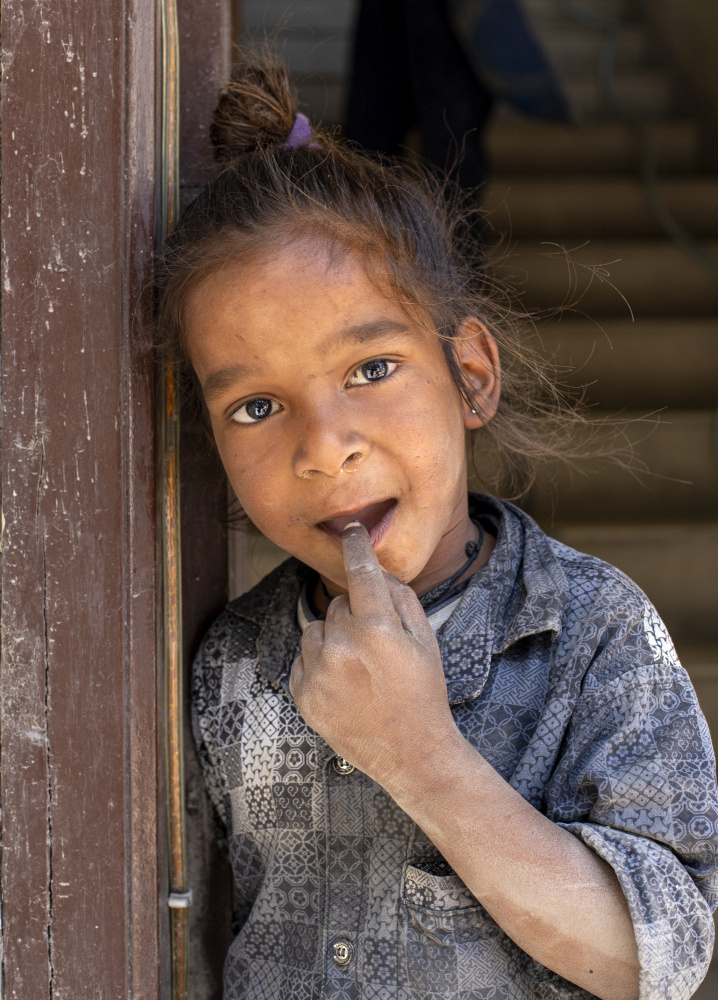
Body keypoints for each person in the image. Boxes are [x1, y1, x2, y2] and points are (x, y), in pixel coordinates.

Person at [157, 54, 718, 1000]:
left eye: (370, 370)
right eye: (256, 407)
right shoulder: (229, 669)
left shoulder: (592, 634)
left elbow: (654, 960)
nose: (325, 449)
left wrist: (421, 757)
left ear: (470, 374)